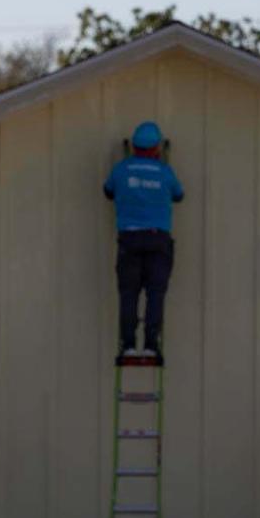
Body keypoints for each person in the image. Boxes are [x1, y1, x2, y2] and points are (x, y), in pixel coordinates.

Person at [103, 121, 184, 362]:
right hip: (158, 239)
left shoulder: (121, 169)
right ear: (157, 147)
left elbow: (108, 191)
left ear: (135, 146)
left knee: (129, 293)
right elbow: (179, 195)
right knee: (155, 293)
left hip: (129, 240)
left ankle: (128, 345)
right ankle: (150, 345)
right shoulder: (164, 172)